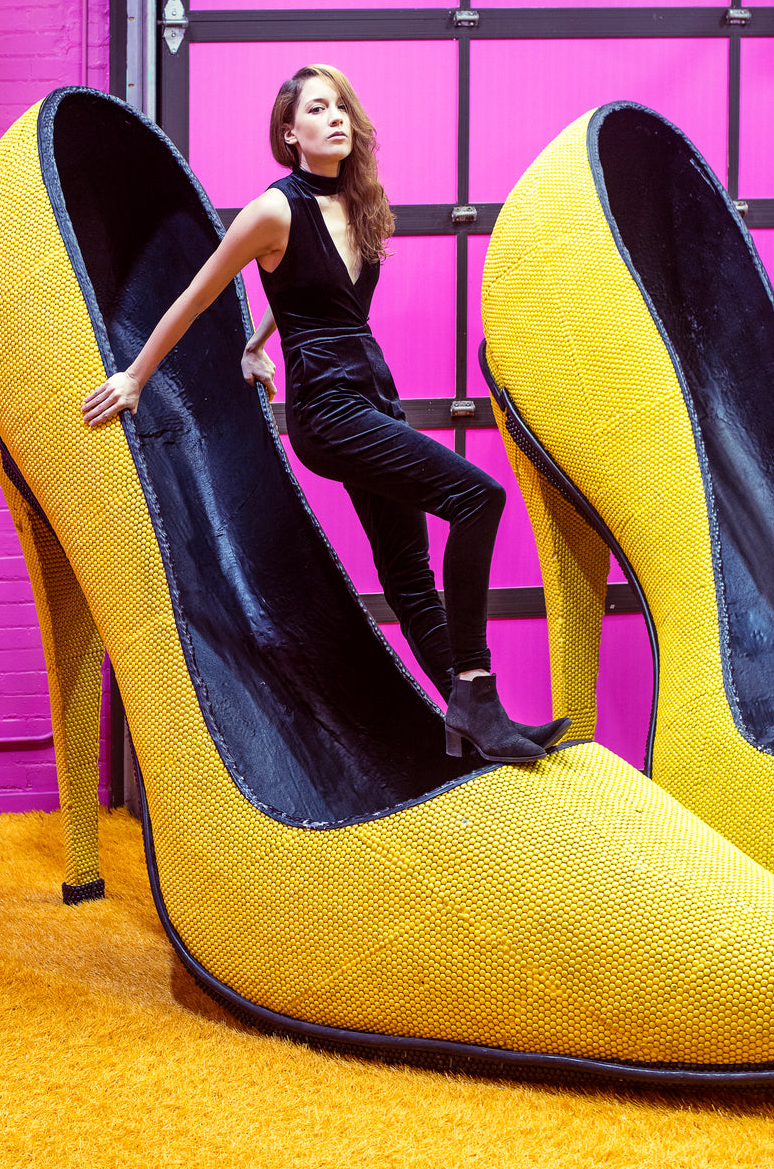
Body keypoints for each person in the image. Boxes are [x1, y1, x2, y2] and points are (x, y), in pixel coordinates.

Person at [82, 64, 567, 762]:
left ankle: (474, 732)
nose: (336, 117)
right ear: (290, 132)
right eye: (317, 108)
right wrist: (134, 377)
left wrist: (257, 344)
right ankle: (476, 689)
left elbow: (317, 298)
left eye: (342, 105)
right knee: (477, 495)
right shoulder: (273, 211)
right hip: (329, 410)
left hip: (374, 394)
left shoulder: (361, 205)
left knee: (408, 579)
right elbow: (199, 291)